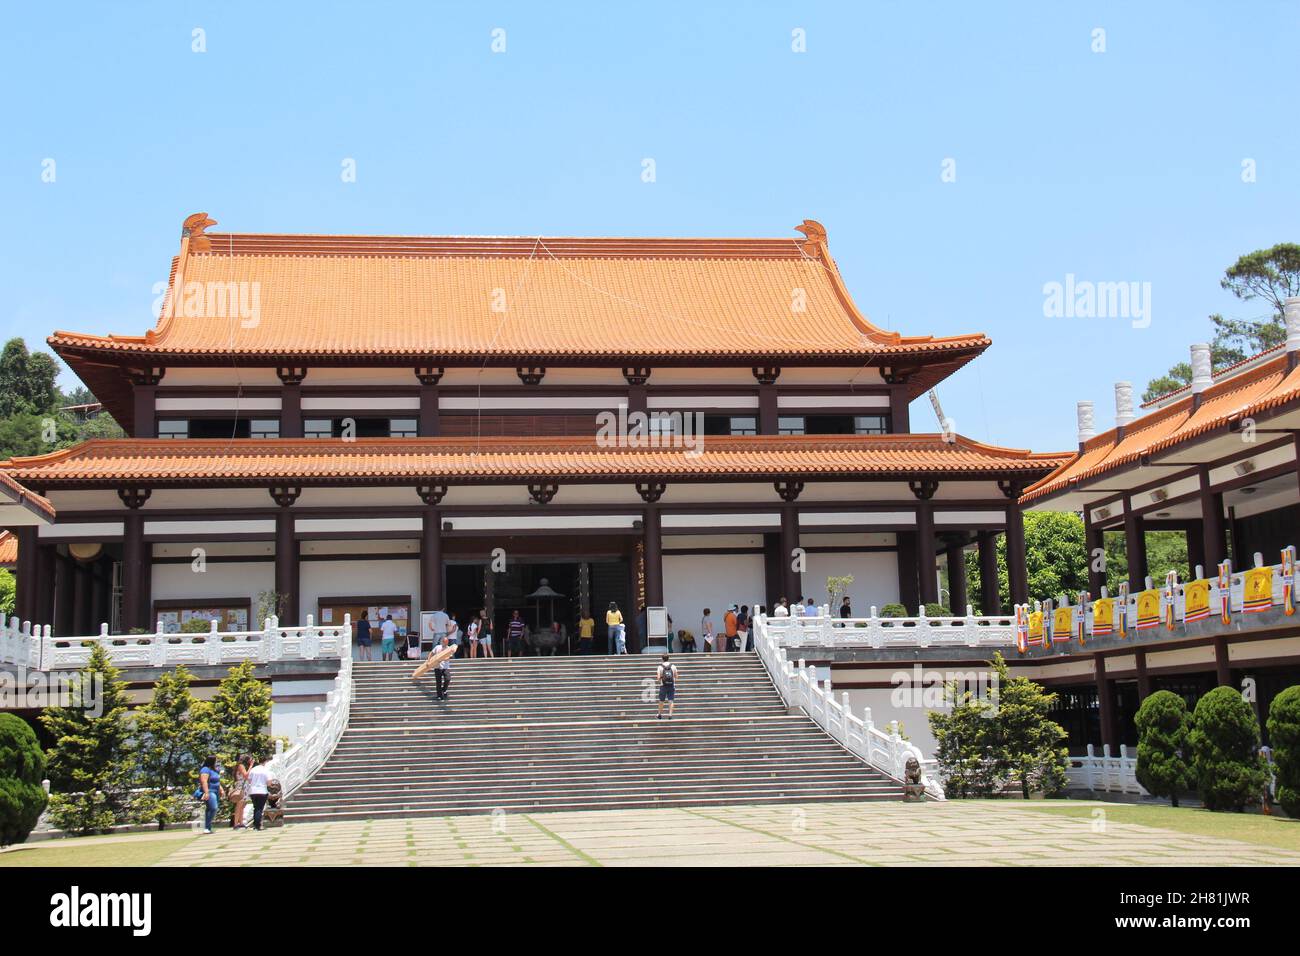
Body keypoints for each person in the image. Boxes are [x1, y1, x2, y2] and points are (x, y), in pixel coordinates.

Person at [244, 755, 277, 831]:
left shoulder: (253, 769)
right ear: (266, 761)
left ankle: (256, 824)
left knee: (256, 808)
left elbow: (249, 780)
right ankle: (257, 825)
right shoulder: (266, 770)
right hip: (262, 790)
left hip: (253, 791)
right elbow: (269, 783)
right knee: (259, 808)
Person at [197, 755, 224, 834]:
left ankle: (208, 827)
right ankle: (206, 827)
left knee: (211, 809)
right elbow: (204, 781)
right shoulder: (205, 769)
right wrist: (206, 792)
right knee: (213, 807)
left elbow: (217, 781)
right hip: (210, 791)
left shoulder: (214, 770)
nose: (217, 762)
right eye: (216, 761)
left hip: (216, 791)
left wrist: (221, 790)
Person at [229, 754, 252, 830]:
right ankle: (236, 823)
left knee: (242, 806)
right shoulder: (241, 766)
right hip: (241, 787)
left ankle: (241, 822)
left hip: (242, 786)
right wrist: (251, 766)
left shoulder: (239, 765)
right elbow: (246, 775)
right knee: (239, 806)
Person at [656, 654, 678, 719]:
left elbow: (658, 678)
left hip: (663, 685)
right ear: (668, 658)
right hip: (671, 685)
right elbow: (677, 676)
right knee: (671, 700)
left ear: (662, 659)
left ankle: (659, 714)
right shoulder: (673, 666)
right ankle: (670, 715)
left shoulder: (660, 667)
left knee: (661, 700)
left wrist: (661, 679)